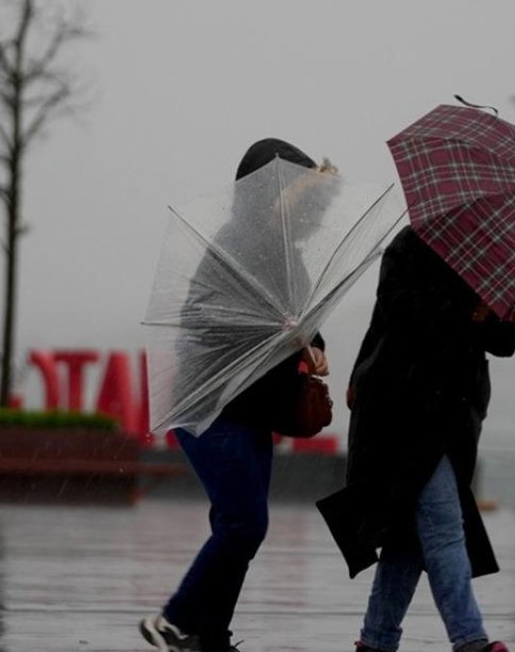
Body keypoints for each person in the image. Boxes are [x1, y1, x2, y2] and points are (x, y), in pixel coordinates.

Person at [140, 138, 330, 652]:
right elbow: (202, 320)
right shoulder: (235, 248)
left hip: (253, 411)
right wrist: (276, 328)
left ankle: (209, 634)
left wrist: (312, 345)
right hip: (212, 407)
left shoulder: (289, 257)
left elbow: (304, 324)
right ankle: (173, 619)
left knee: (238, 526)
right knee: (245, 524)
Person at [316, 225, 515, 652]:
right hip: (401, 408)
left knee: (407, 536)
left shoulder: (498, 260)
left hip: (455, 415)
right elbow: (400, 309)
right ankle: (469, 639)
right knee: (445, 525)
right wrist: (470, 309)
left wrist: (500, 310)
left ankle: (376, 640)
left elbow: (503, 341)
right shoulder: (411, 244)